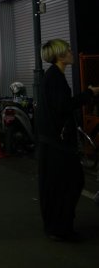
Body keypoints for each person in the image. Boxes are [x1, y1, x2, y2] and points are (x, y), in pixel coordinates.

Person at [36, 39, 99, 241]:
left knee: (60, 184)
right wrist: (89, 93)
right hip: (58, 143)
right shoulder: (55, 77)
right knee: (69, 183)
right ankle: (61, 227)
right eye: (68, 50)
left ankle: (59, 226)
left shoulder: (54, 76)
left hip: (54, 141)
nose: (72, 52)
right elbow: (63, 106)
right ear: (60, 55)